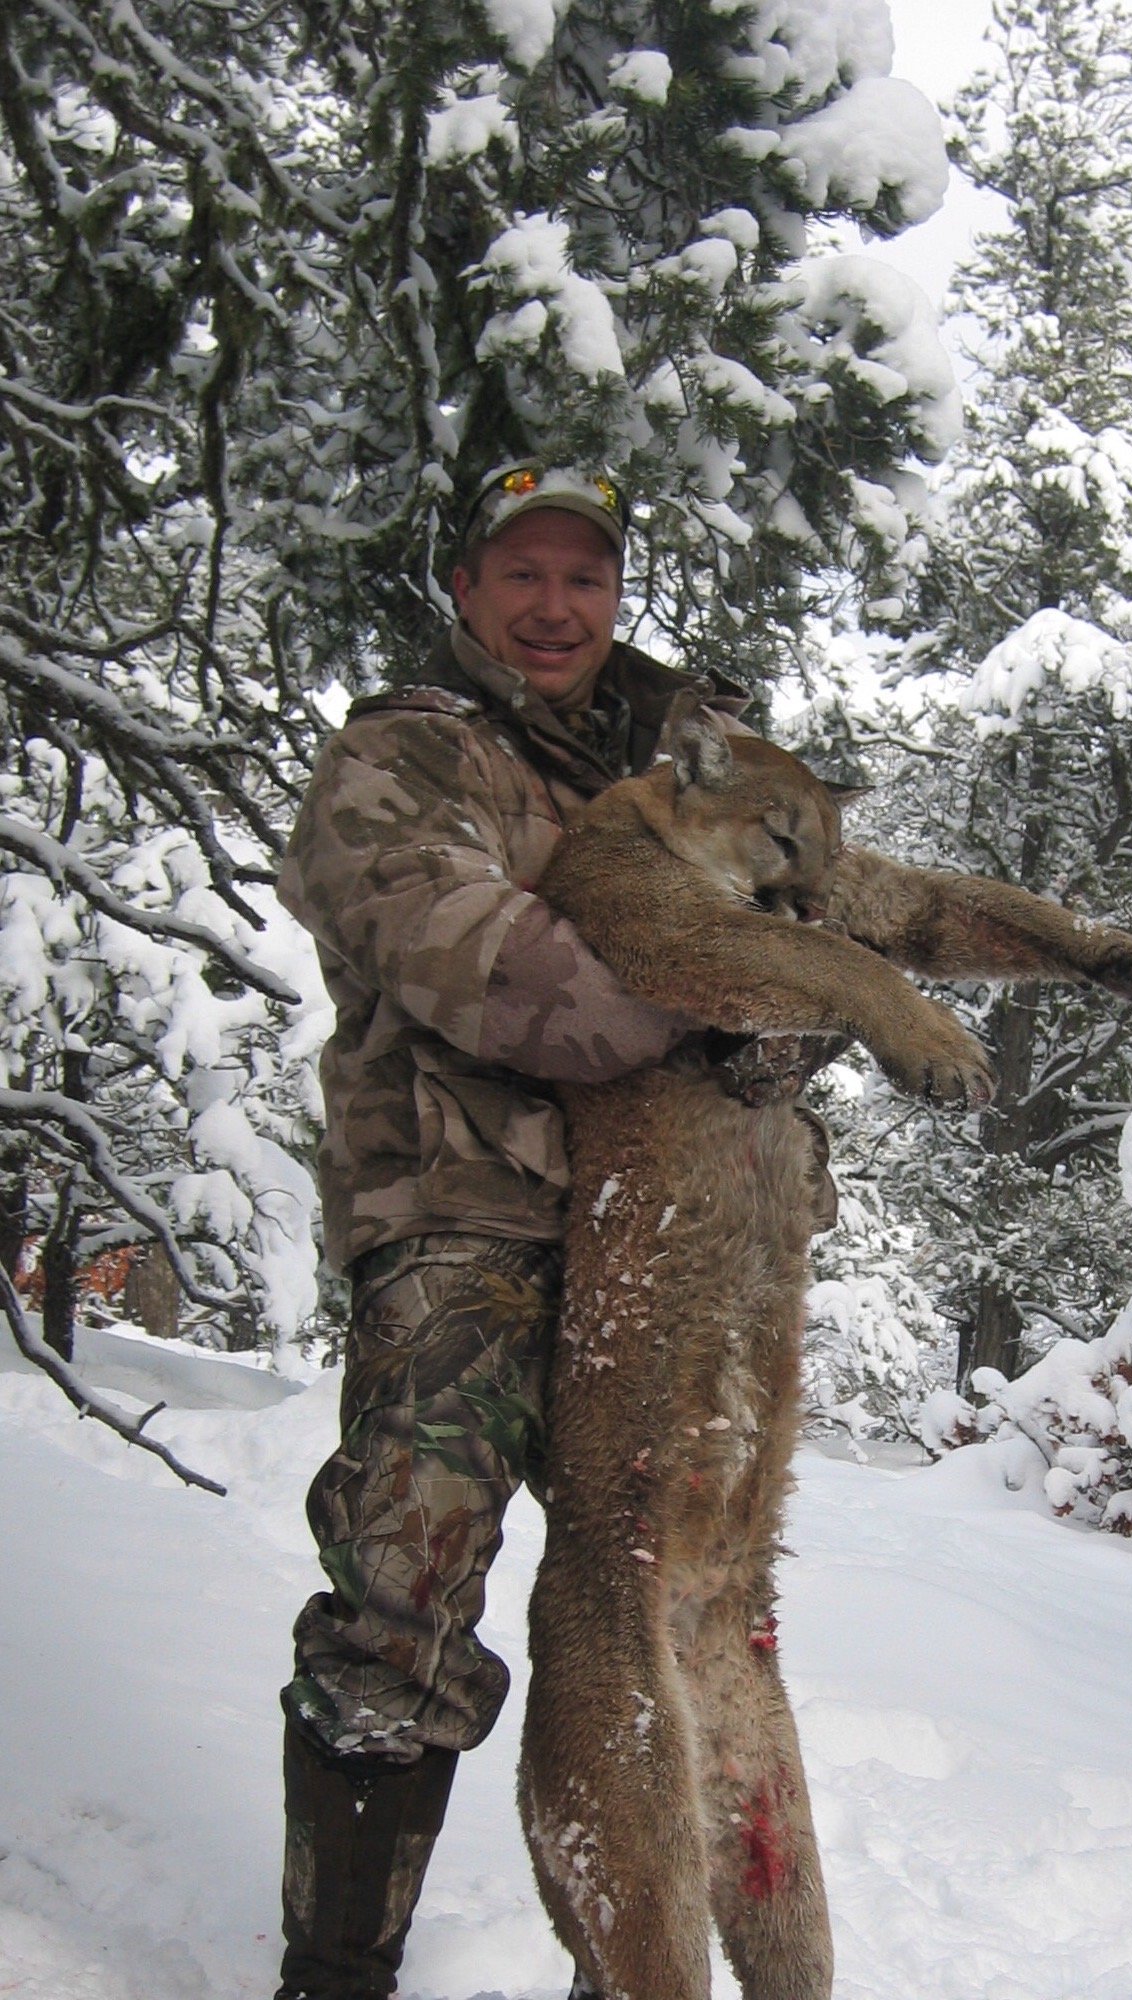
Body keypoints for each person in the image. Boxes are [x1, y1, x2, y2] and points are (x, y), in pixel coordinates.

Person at [271, 463, 786, 2000]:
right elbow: (484, 963)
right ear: (466, 590)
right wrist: (733, 985)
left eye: (587, 576)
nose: (556, 607)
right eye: (523, 574)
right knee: (403, 1596)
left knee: (674, 1619)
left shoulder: (690, 762)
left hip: (668, 1231)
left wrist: (783, 1018)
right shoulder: (400, 754)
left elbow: (811, 926)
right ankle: (336, 1974)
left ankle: (634, 1974)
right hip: (463, 1216)